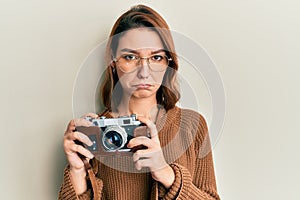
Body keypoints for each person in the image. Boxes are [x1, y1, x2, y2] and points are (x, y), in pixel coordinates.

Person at [59, 4, 220, 200]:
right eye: (130, 57)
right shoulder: (94, 134)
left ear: (168, 62)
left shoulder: (192, 125)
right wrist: (77, 171)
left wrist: (166, 173)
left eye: (156, 57)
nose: (144, 71)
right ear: (113, 61)